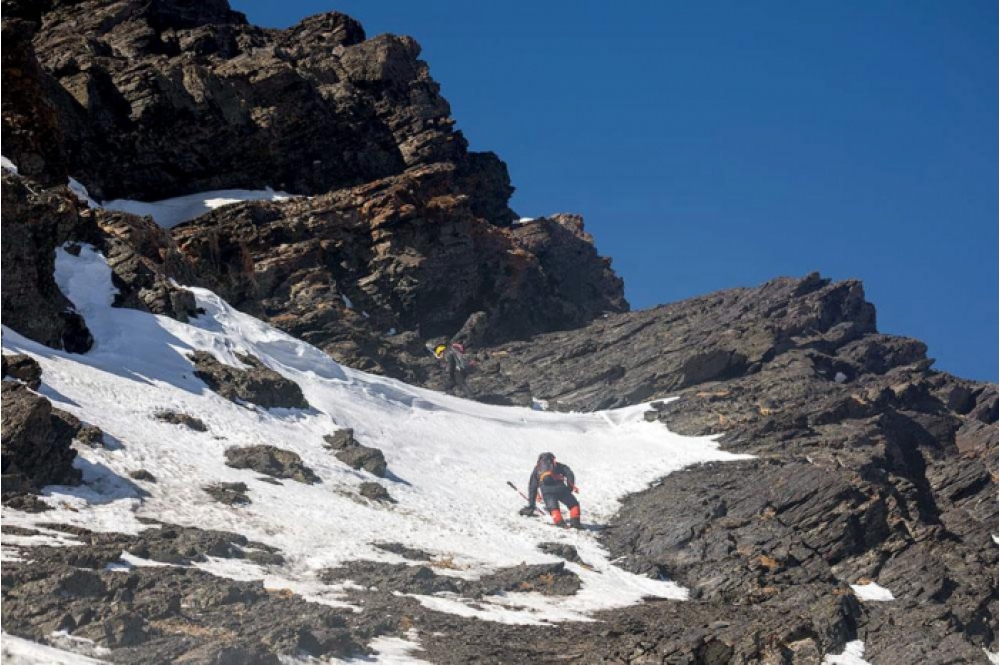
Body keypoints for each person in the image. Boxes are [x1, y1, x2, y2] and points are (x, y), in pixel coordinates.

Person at [519, 452, 581, 528]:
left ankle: (560, 523)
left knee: (553, 508)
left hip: (547, 491)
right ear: (552, 459)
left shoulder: (537, 469)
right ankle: (575, 523)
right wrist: (570, 487)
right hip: (560, 488)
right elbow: (569, 473)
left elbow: (532, 487)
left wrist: (531, 505)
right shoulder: (557, 465)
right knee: (573, 504)